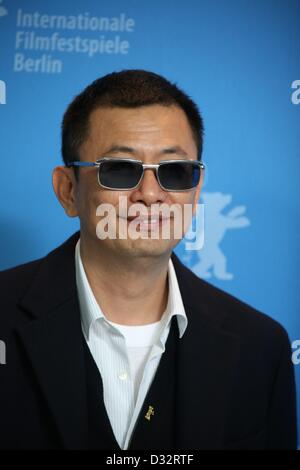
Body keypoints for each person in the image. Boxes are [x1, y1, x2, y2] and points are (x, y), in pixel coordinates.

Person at [0, 70, 297, 450]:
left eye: (175, 172)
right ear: (68, 190)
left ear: (196, 189)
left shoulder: (261, 348)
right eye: (120, 170)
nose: (151, 195)